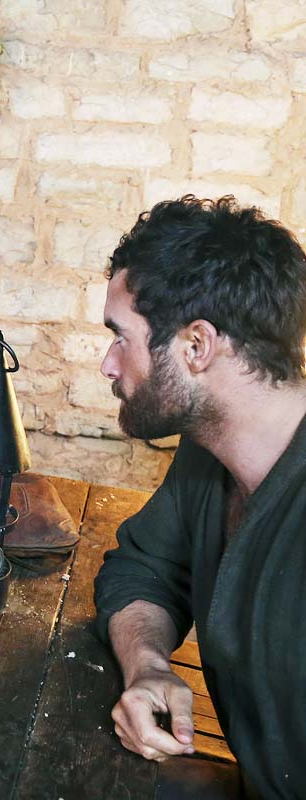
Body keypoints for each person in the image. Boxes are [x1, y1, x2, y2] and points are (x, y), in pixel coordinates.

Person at [93, 195, 306, 798]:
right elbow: (143, 569)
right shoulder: (207, 454)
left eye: (121, 338)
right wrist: (148, 666)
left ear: (196, 346)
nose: (108, 365)